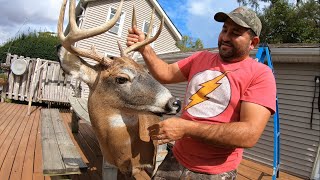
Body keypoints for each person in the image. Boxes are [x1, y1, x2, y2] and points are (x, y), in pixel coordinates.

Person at [127, 6, 276, 180]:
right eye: (224, 29)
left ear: (253, 43)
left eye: (236, 33)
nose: (226, 37)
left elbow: (249, 134)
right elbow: (165, 73)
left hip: (215, 172)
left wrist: (187, 128)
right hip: (177, 158)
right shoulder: (201, 58)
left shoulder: (260, 74)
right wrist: (145, 48)